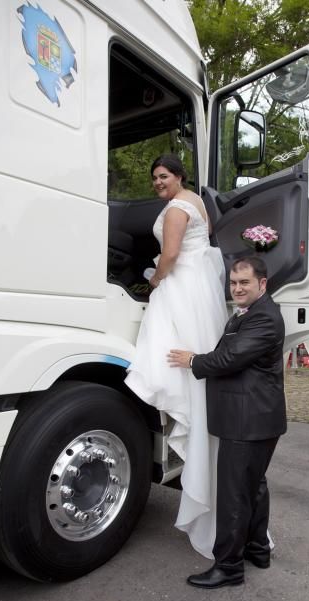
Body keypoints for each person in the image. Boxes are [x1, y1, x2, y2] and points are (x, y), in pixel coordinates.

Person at [125, 154, 228, 558]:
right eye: (154, 178)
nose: (157, 183)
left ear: (178, 176)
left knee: (174, 371)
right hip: (199, 295)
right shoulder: (199, 203)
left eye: (163, 176)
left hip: (180, 290)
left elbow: (169, 257)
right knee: (196, 381)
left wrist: (152, 282)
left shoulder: (175, 209)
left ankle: (202, 479)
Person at [168, 255, 287, 588]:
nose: (237, 288)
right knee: (253, 488)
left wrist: (193, 360)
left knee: (235, 494)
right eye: (233, 283)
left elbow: (230, 358)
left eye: (244, 282)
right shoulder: (252, 314)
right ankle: (257, 549)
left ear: (262, 284)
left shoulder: (264, 318)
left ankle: (229, 567)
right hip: (254, 419)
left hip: (248, 421)